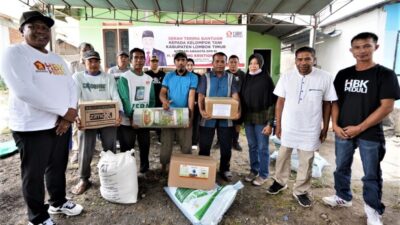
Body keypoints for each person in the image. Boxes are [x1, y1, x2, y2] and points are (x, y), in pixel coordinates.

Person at [0, 11, 83, 225]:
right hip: (31, 127)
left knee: (57, 167)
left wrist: (69, 115)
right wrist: (63, 112)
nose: (40, 31)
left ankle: (57, 202)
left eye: (44, 28)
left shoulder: (56, 59)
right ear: (22, 30)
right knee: (33, 175)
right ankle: (37, 217)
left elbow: (71, 86)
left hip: (60, 125)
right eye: (33, 26)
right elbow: (24, 90)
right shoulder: (15, 53)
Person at [322, 32, 400, 225]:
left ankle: (372, 209)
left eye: (366, 46)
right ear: (351, 50)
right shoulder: (344, 74)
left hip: (370, 133)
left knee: (371, 173)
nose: (362, 51)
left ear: (376, 47)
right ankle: (343, 196)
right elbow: (335, 102)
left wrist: (360, 127)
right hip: (344, 131)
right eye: (357, 47)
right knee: (341, 167)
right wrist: (335, 125)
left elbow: (387, 106)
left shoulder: (385, 74)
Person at [267, 47, 337, 208]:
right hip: (288, 126)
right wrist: (278, 124)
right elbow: (280, 102)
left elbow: (328, 104)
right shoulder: (287, 76)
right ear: (295, 61)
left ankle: (300, 191)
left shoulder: (325, 77)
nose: (303, 62)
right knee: (283, 156)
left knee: (306, 161)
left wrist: (325, 127)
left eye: (307, 59)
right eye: (300, 59)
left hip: (311, 128)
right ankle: (280, 182)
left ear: (314, 60)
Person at [71, 50, 122, 195]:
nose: (93, 64)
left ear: (100, 62)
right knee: (85, 149)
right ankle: (84, 179)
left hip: (108, 117)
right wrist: (75, 117)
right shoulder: (78, 77)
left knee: (110, 148)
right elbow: (74, 97)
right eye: (90, 61)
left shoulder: (108, 77)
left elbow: (115, 95)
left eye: (96, 61)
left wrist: (119, 114)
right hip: (87, 118)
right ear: (84, 63)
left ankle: (110, 175)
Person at [197, 52, 241, 182]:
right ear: (212, 63)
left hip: (226, 119)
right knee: (204, 145)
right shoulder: (205, 77)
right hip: (207, 117)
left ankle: (224, 169)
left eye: (222, 62)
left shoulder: (231, 78)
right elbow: (200, 96)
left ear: (225, 63)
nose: (220, 64)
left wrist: (238, 111)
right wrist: (201, 110)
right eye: (217, 61)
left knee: (226, 146)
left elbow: (235, 96)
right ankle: (204, 169)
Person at [117, 48, 155, 174]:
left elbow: (152, 99)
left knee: (145, 146)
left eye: (141, 58)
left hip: (144, 119)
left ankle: (144, 170)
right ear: (131, 60)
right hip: (128, 121)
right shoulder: (125, 77)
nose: (139, 60)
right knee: (128, 149)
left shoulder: (149, 78)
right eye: (136, 58)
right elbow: (125, 99)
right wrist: (132, 116)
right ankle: (129, 173)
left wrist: (147, 115)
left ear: (145, 60)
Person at [159, 51, 198, 174]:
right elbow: (162, 93)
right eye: (178, 60)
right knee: (166, 142)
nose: (181, 62)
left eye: (183, 60)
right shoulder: (168, 76)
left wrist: (190, 118)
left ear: (186, 62)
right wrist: (164, 101)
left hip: (184, 114)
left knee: (186, 144)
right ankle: (164, 167)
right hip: (169, 113)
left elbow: (191, 97)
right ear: (175, 62)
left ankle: (186, 168)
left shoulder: (193, 77)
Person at [240, 53, 276, 186]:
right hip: (248, 117)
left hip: (262, 117)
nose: (253, 66)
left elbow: (273, 102)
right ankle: (254, 170)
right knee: (252, 146)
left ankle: (263, 174)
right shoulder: (247, 78)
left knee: (262, 147)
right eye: (251, 63)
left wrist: (270, 123)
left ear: (260, 64)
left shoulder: (266, 79)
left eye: (256, 63)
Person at [69, 42, 94, 164]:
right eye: (84, 50)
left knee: (92, 123)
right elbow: (68, 83)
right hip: (78, 99)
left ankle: (91, 147)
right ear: (80, 51)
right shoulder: (73, 65)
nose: (86, 52)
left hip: (91, 98)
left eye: (89, 50)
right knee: (77, 124)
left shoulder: (94, 64)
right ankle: (77, 151)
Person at [145, 55, 166, 143]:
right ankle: (147, 136)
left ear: (158, 63)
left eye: (156, 61)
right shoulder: (146, 74)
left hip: (161, 99)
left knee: (161, 117)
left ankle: (160, 136)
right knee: (149, 116)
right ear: (149, 63)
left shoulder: (163, 74)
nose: (154, 63)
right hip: (151, 99)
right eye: (152, 61)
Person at [186, 58, 202, 149]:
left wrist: (196, 100)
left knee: (195, 122)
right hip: (184, 104)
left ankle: (194, 142)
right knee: (185, 121)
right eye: (188, 65)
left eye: (191, 65)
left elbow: (199, 90)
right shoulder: (182, 76)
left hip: (195, 104)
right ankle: (185, 141)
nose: (189, 67)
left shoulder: (198, 76)